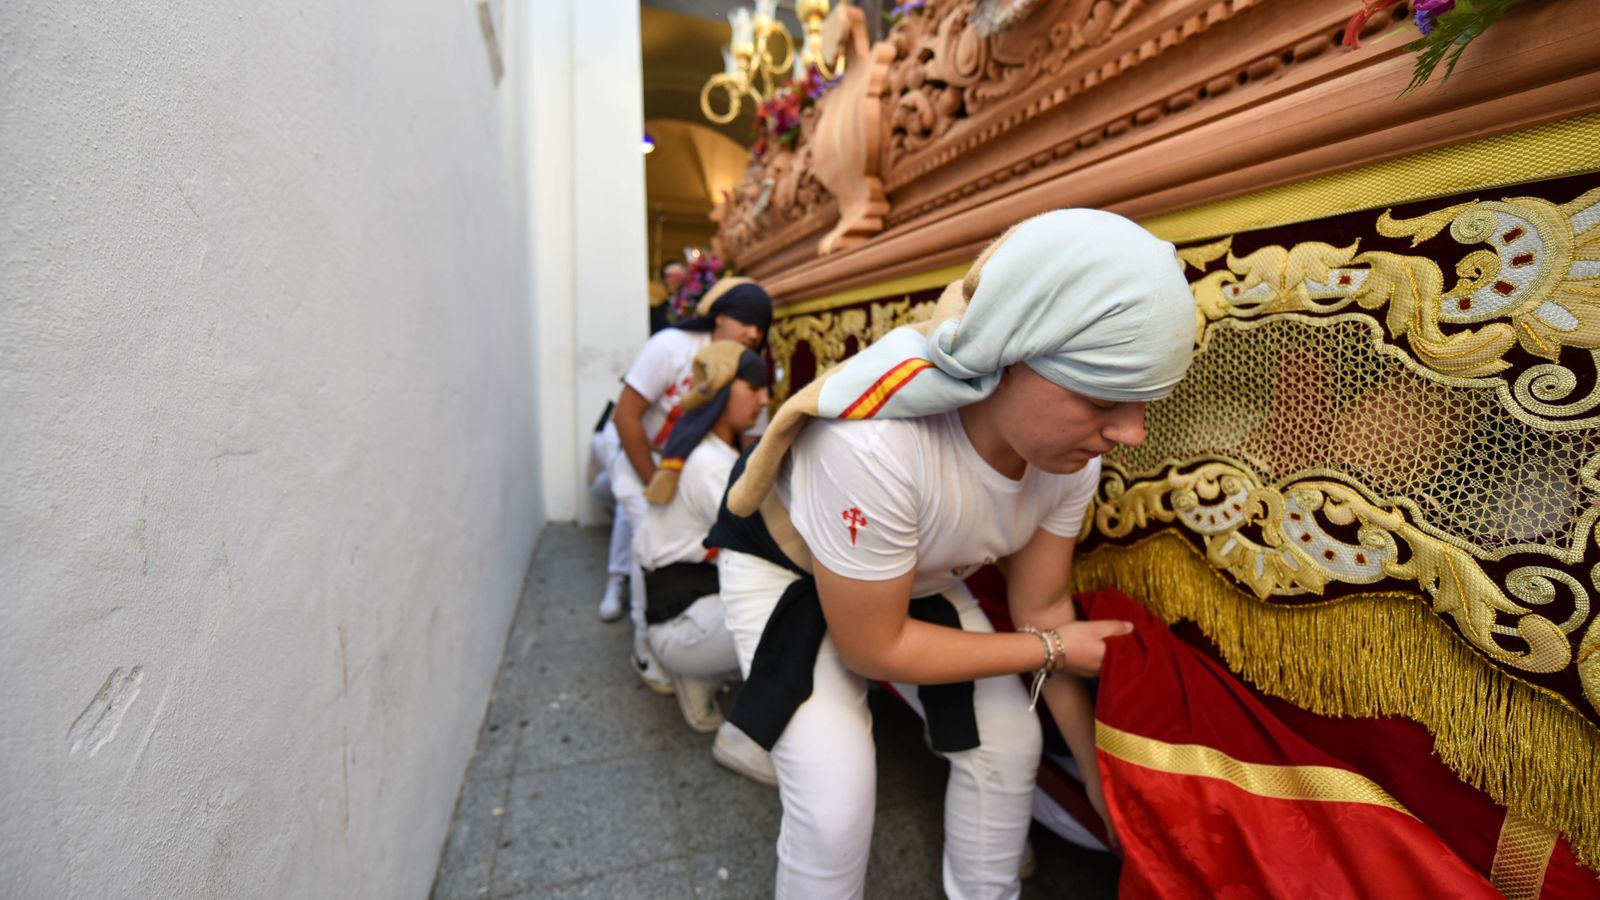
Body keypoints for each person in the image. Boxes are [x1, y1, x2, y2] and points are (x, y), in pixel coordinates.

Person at [708, 209, 1197, 899]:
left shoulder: (1069, 460)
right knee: (835, 800)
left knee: (1010, 744)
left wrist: (1099, 780)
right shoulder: (875, 446)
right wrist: (1054, 650)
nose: (1131, 433)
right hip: (787, 569)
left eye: (1144, 401)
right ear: (1012, 352)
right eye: (1102, 397)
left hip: (913, 582)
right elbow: (876, 648)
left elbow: (1041, 608)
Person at [594, 278, 772, 696]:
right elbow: (626, 416)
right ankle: (645, 647)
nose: (753, 332)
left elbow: (752, 446)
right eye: (745, 321)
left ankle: (684, 636)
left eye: (761, 326)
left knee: (671, 540)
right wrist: (658, 486)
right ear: (720, 317)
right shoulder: (671, 345)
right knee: (649, 536)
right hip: (646, 458)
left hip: (690, 463)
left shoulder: (747, 369)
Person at [633, 340, 777, 784]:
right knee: (793, 614)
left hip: (678, 608)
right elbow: (767, 544)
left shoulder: (702, 450)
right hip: (679, 619)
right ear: (723, 391)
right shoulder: (711, 465)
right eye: (754, 387)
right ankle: (744, 737)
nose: (765, 399)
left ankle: (699, 676)